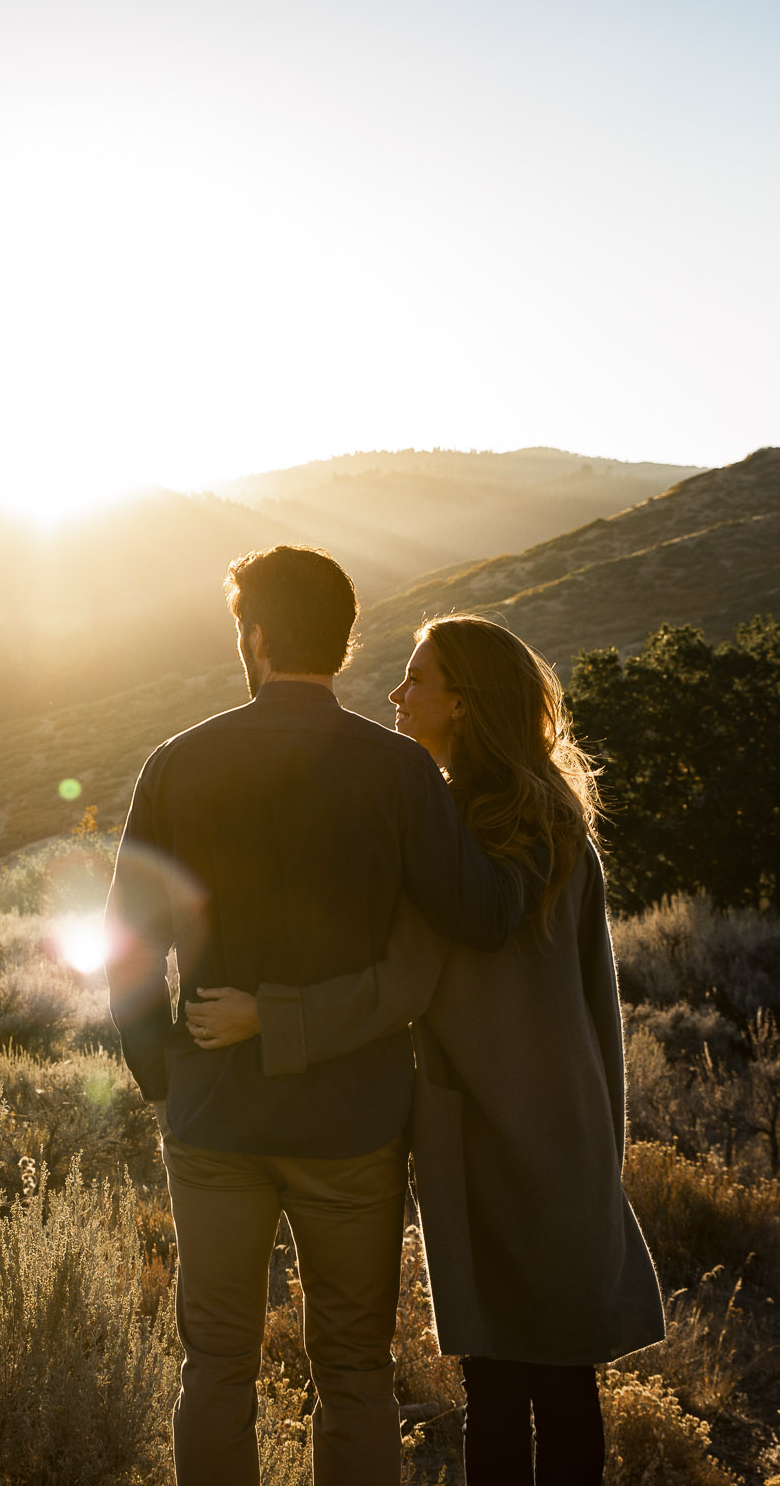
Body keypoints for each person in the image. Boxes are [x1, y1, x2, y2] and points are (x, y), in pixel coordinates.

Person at [184, 614, 666, 1486]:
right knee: (565, 1384)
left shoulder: (451, 834)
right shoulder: (561, 827)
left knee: (499, 1387)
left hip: (484, 1137)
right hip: (568, 1134)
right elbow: (604, 1010)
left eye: (417, 680)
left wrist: (267, 1017)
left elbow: (398, 987)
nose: (397, 694)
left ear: (464, 703)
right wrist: (608, 1147)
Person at [105, 548, 528, 1486]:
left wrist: (163, 1069)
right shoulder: (401, 771)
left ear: (255, 637)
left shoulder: (177, 762)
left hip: (215, 1117)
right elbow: (483, 917)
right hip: (354, 1123)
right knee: (355, 1371)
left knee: (216, 1367)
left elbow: (126, 942)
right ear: (342, 643)